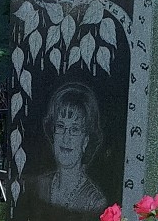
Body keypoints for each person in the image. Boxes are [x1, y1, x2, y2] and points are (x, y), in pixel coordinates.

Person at [33, 78, 106, 213]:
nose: (66, 138)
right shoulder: (38, 186)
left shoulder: (95, 203)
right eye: (61, 127)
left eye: (75, 129)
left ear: (86, 141)